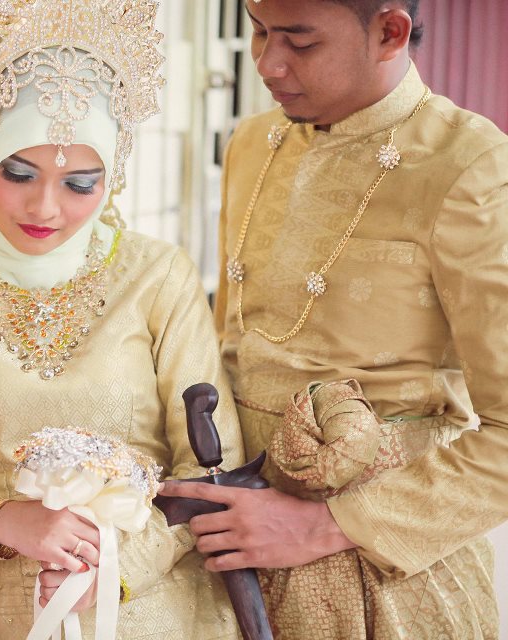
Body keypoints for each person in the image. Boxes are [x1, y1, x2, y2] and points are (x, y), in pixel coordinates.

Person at [0, 1, 244, 637]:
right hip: (0, 621)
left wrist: (121, 565)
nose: (46, 206)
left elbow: (211, 469)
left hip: (156, 617)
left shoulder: (157, 278)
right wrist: (1, 521)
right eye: (19, 173)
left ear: (113, 174)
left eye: (81, 183)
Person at [159, 0, 508, 637]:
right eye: (258, 31)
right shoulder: (252, 142)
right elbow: (228, 352)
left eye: (299, 41)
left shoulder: (470, 166)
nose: (267, 63)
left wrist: (324, 527)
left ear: (389, 31)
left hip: (377, 575)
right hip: (227, 561)